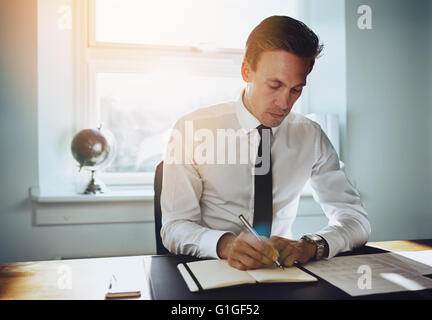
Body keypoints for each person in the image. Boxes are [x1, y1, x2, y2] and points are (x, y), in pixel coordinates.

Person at [160, 15, 371, 271]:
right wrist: (224, 244)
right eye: (274, 85)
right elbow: (173, 228)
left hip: (281, 275)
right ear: (246, 71)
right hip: (210, 270)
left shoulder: (310, 135)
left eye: (296, 90)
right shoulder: (192, 129)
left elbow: (356, 220)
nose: (284, 103)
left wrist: (311, 244)